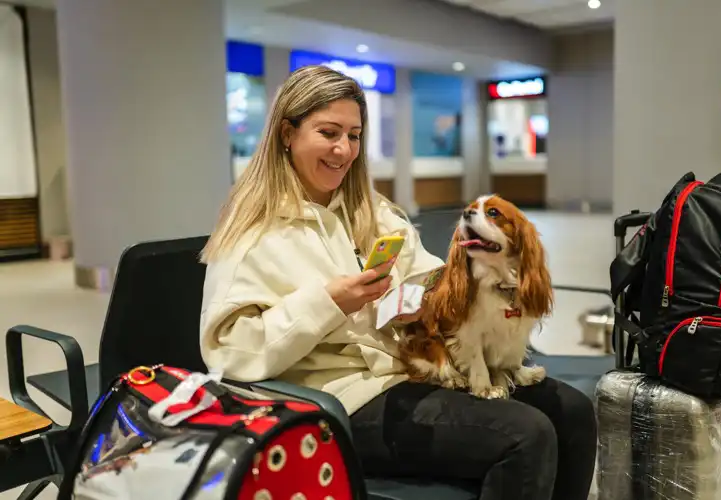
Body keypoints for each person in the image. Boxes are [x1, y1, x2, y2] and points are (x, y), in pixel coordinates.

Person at [199, 65, 597, 500]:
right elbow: (232, 357)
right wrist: (328, 302)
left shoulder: (371, 210)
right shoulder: (252, 232)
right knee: (527, 434)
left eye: (353, 136)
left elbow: (426, 277)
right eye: (328, 132)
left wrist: (423, 298)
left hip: (411, 367)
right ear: (287, 134)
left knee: (573, 412)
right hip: (341, 395)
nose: (343, 150)